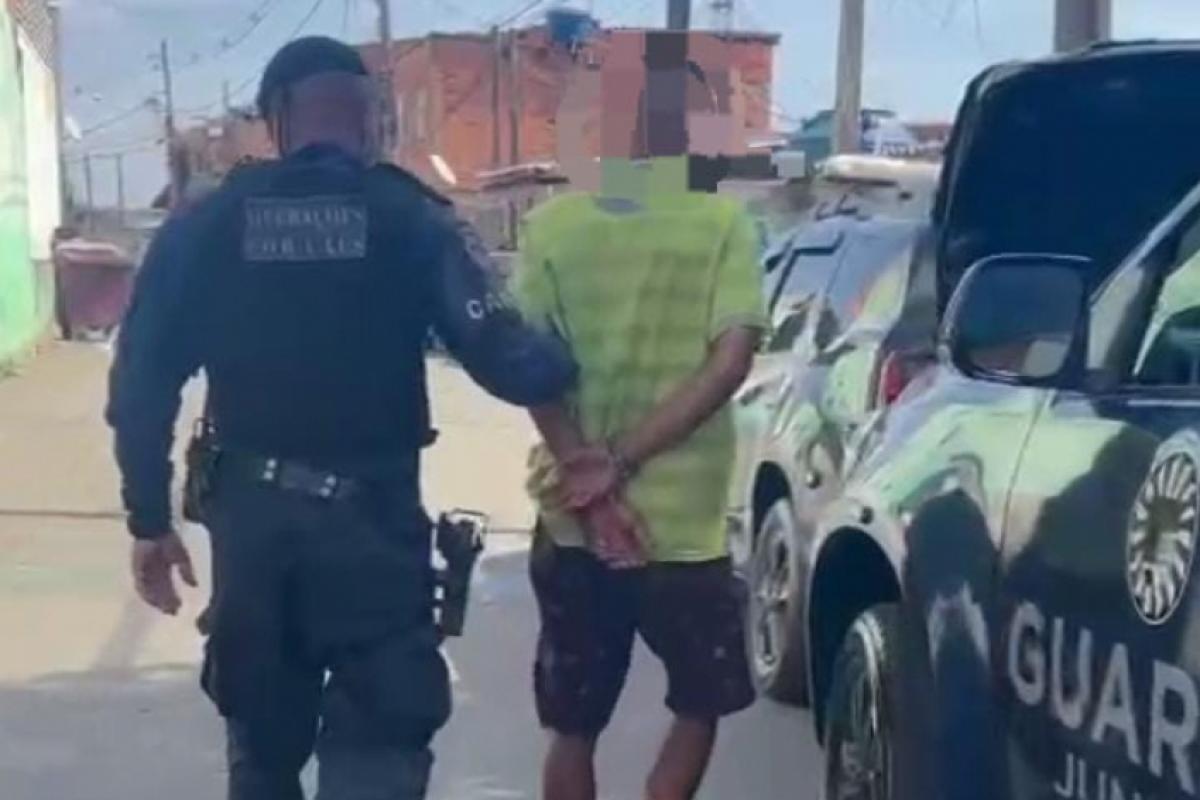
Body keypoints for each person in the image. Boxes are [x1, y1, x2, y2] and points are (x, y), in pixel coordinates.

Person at [106, 36, 575, 800]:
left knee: (262, 758)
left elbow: (141, 383)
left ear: (275, 119)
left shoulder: (207, 224)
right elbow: (510, 359)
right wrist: (581, 351)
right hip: (373, 538)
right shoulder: (410, 218)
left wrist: (149, 520)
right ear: (369, 117)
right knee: (378, 755)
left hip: (255, 540)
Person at [512, 154, 767, 799]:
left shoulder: (551, 227)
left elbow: (527, 365)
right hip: (684, 526)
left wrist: (591, 483)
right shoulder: (723, 224)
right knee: (698, 705)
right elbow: (730, 362)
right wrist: (619, 462)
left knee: (573, 726)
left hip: (573, 522)